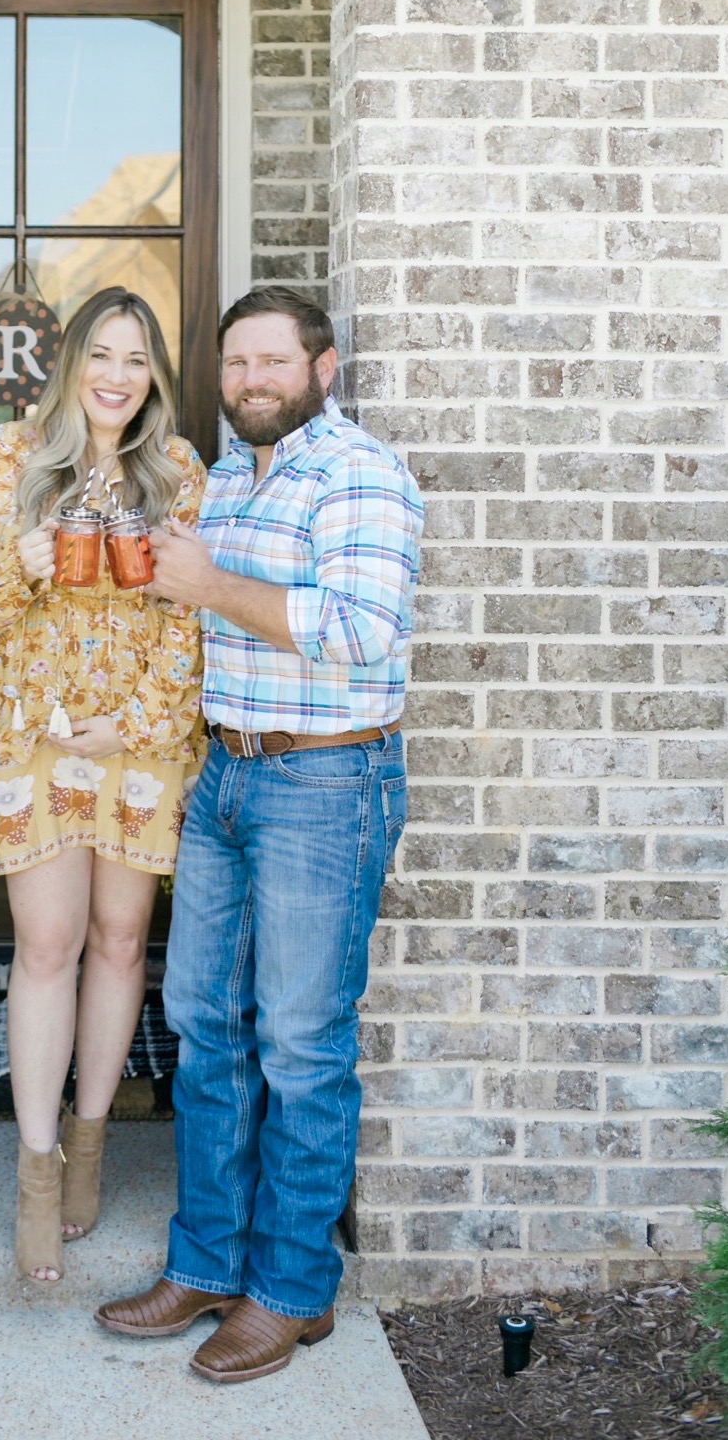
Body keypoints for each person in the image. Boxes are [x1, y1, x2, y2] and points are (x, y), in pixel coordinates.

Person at [95, 283, 423, 1384]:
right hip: (225, 778)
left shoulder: (358, 472)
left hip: (326, 780)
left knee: (299, 1038)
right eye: (234, 363)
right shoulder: (230, 475)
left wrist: (210, 581)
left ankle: (288, 1290)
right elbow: (197, 613)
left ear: (322, 368)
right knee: (203, 1023)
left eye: (271, 362)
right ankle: (205, 1262)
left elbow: (360, 629)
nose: (248, 381)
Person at [0, 286, 206, 1287]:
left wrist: (132, 720)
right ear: (69, 361)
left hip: (133, 735)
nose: (117, 375)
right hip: (35, 734)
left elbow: (193, 616)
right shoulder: (8, 458)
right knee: (47, 943)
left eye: (137, 359)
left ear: (153, 377)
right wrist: (22, 557)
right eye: (102, 352)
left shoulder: (177, 470)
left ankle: (93, 1139)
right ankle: (38, 1169)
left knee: (120, 941)